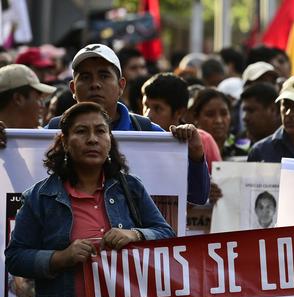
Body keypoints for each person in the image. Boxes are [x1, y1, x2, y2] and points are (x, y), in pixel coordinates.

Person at [4, 102, 175, 297]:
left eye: (100, 131)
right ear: (64, 141)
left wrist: (135, 234)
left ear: (110, 140)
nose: (92, 139)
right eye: (82, 132)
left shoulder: (131, 188)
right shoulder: (40, 196)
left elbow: (166, 235)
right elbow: (15, 258)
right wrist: (60, 258)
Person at [44, 44, 211, 205]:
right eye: (85, 77)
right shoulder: (52, 133)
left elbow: (197, 196)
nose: (95, 84)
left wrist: (195, 156)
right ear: (73, 88)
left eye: (104, 75)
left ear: (121, 85)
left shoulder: (148, 133)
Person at [141, 73, 221, 166]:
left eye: (158, 108)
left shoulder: (203, 141)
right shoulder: (133, 138)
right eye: (146, 106)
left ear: (179, 112)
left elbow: (216, 180)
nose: (148, 115)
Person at [189, 88, 249, 159]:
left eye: (224, 114)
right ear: (196, 118)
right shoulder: (190, 150)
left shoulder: (243, 146)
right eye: (210, 114)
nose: (218, 121)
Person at [0, 64, 56, 129]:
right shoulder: (44, 137)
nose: (42, 106)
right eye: (38, 98)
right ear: (18, 99)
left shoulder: (46, 136)